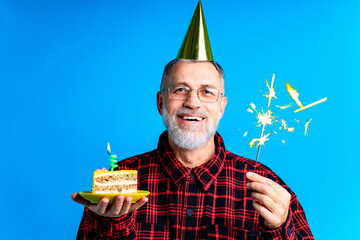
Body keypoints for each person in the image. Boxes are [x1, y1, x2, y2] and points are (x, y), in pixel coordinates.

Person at [72, 2, 314, 239]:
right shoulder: (122, 179)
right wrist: (111, 224)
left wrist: (280, 228)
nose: (193, 102)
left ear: (221, 107)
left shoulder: (265, 184)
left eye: (207, 92)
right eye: (180, 90)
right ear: (160, 103)